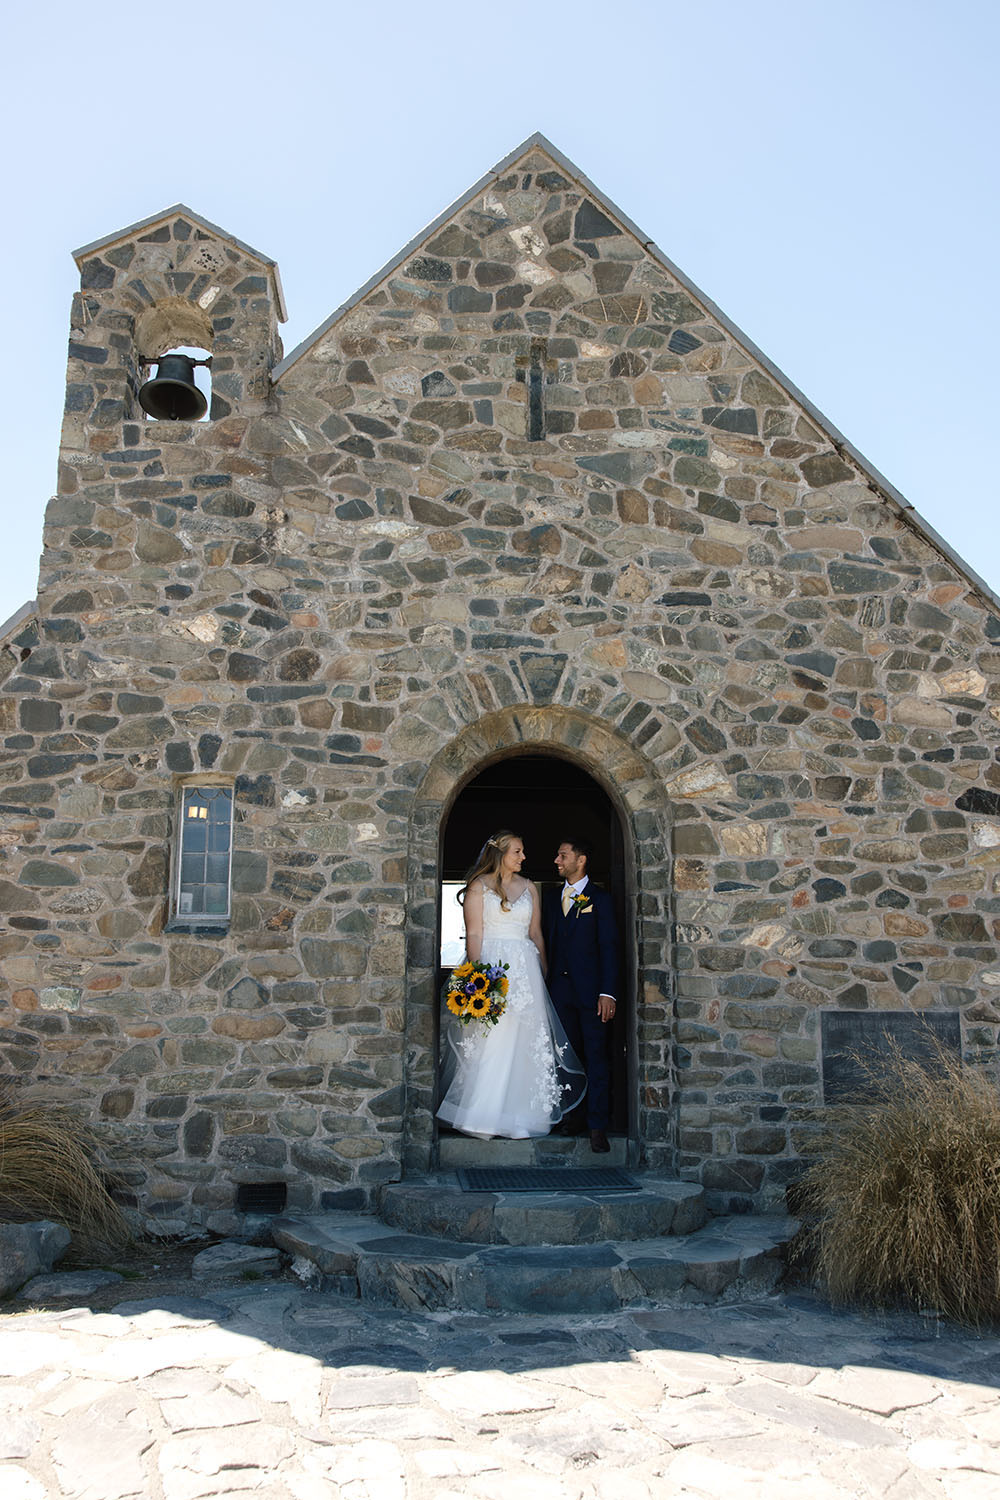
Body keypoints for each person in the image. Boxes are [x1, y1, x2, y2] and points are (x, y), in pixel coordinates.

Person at [437, 831, 586, 1139]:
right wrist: (477, 981)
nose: (523, 857)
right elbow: (475, 934)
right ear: (501, 854)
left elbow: (536, 932)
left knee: (526, 1040)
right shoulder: (478, 887)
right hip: (492, 967)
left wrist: (543, 966)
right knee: (493, 1040)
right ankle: (483, 1116)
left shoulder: (530, 887)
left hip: (526, 968)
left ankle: (525, 1116)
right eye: (518, 851)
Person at [544, 837, 620, 1153]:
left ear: (581, 859)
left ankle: (597, 1126)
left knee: (596, 1058)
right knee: (565, 1057)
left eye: (563, 855)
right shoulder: (550, 898)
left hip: (593, 995)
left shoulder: (599, 899)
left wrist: (608, 993)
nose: (557, 860)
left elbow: (609, 947)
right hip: (559, 994)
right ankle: (571, 1117)